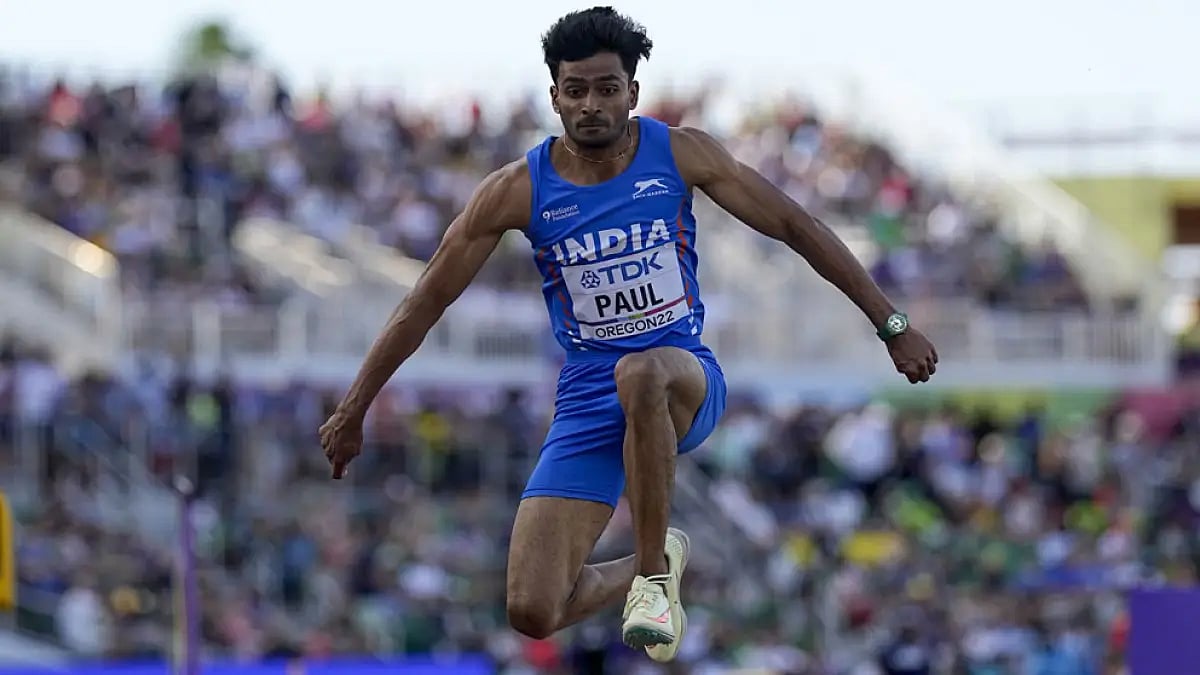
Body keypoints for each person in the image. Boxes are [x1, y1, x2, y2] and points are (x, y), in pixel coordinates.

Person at [319, 5, 939, 663]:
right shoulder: (517, 191)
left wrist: (890, 323)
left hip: (682, 382)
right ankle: (658, 556)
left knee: (640, 370)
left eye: (606, 88)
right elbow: (424, 301)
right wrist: (354, 407)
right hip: (589, 407)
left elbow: (795, 224)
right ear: (554, 97)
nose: (592, 105)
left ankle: (650, 581)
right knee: (533, 608)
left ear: (632, 93)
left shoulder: (680, 152)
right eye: (576, 90)